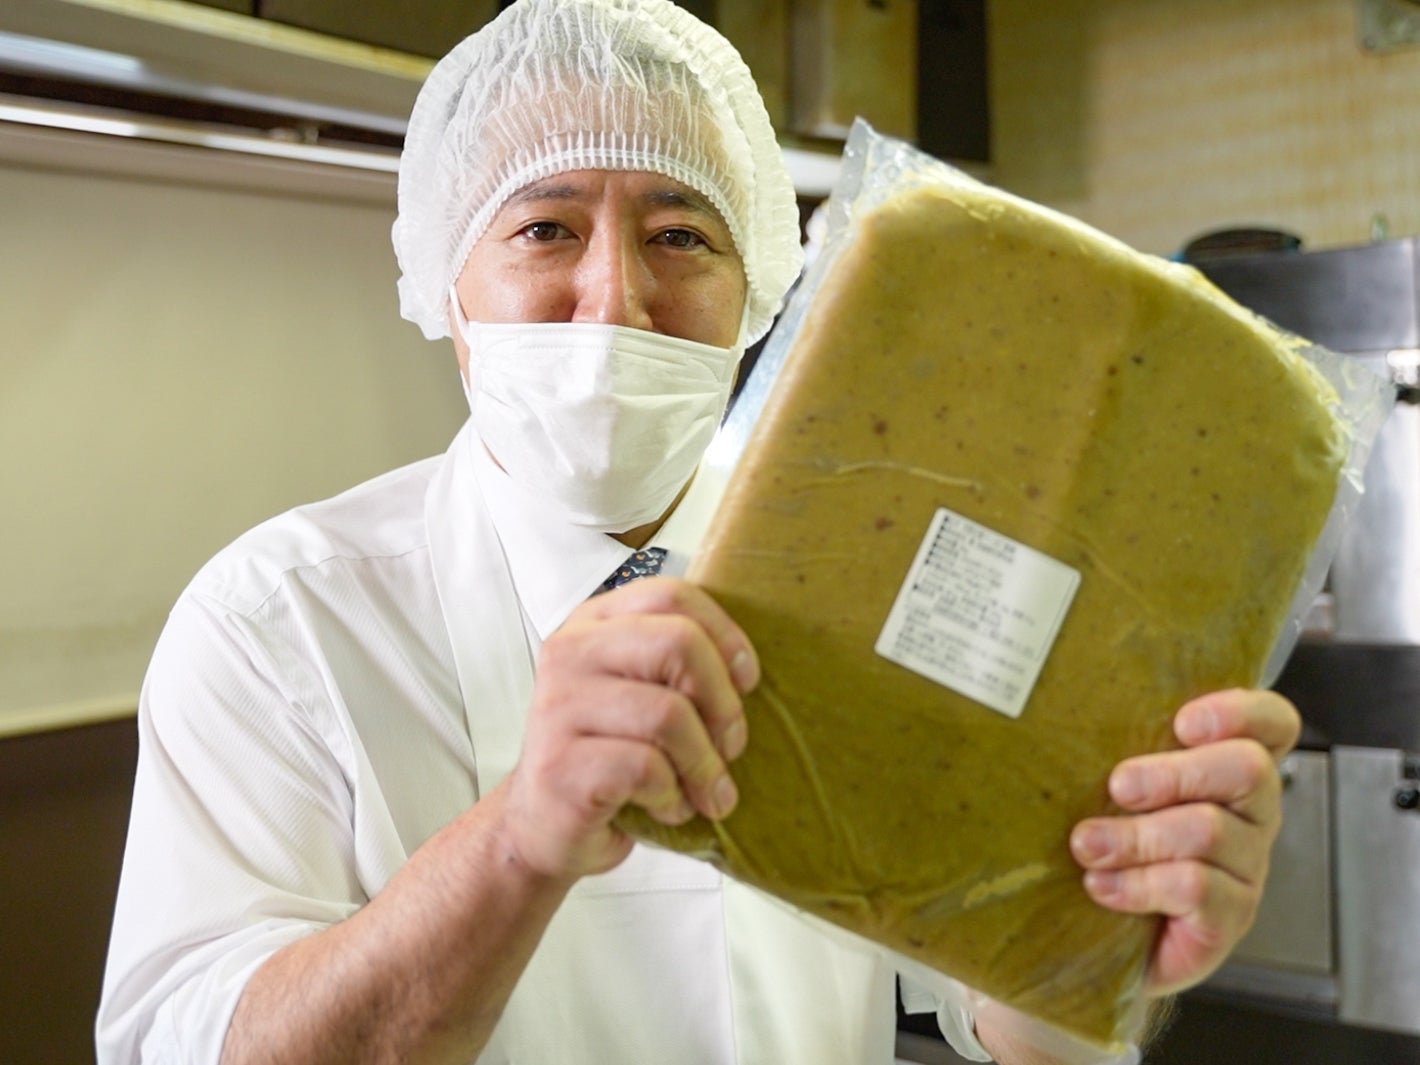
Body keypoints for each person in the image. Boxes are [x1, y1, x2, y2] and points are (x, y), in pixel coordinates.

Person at [95, 1, 1300, 1063]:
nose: (616, 300)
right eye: (545, 229)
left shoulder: (872, 580)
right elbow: (196, 1044)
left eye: (680, 235)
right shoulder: (280, 623)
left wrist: (1111, 936)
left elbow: (993, 1009)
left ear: (757, 295)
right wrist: (521, 837)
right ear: (447, 288)